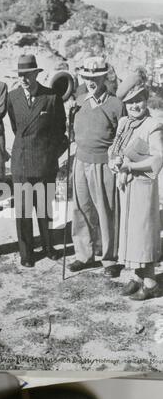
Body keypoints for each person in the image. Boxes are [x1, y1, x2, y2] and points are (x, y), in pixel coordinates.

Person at [7, 54, 68, 267]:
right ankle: (27, 253)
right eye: (20, 75)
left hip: (44, 163)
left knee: (45, 209)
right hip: (21, 163)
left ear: (36, 74)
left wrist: (49, 155)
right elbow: (17, 128)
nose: (24, 79)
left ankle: (49, 246)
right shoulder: (12, 97)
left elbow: (60, 131)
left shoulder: (51, 97)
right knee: (23, 212)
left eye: (28, 74)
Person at [109, 72, 163, 300]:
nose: (134, 106)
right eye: (130, 102)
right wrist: (113, 161)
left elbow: (158, 159)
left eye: (139, 100)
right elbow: (113, 149)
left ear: (146, 99)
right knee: (129, 232)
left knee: (143, 233)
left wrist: (131, 167)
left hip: (142, 186)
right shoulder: (123, 123)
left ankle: (151, 283)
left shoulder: (153, 125)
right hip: (125, 188)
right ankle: (137, 276)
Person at [69, 56, 124, 278]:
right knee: (81, 209)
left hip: (103, 163)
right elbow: (73, 132)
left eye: (95, 77)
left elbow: (122, 137)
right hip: (80, 161)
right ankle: (84, 255)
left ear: (104, 77)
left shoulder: (116, 104)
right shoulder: (79, 100)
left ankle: (109, 258)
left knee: (105, 210)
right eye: (87, 77)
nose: (91, 81)